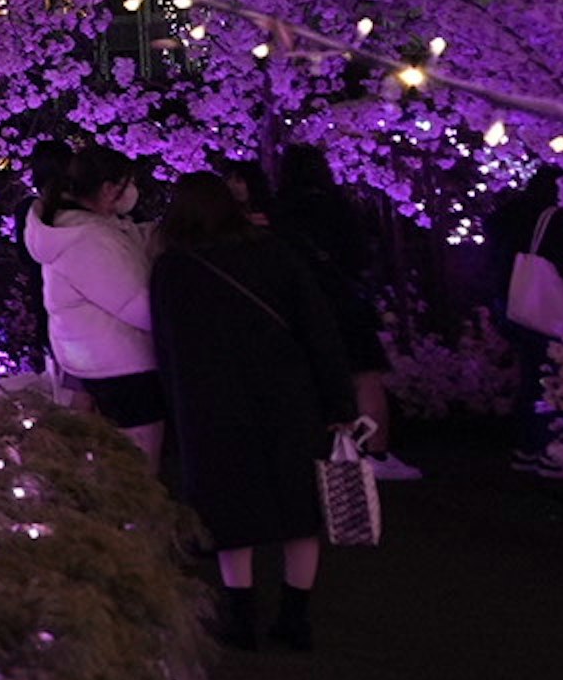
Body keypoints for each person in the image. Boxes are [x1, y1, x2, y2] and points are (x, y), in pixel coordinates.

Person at [150, 171, 360, 649]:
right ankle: (294, 617)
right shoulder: (275, 254)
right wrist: (338, 399)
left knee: (229, 510)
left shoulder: (173, 271)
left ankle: (240, 616)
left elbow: (168, 350)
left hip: (213, 406)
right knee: (299, 509)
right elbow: (318, 329)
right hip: (289, 396)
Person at [268, 143, 420, 481]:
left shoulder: (280, 212)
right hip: (344, 303)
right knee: (365, 377)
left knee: (310, 379)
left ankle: (319, 452)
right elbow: (362, 256)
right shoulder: (338, 208)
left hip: (299, 306)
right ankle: (375, 451)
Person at [25, 143, 168, 464]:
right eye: (126, 184)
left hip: (97, 359)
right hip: (123, 366)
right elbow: (137, 305)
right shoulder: (90, 239)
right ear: (107, 189)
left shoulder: (81, 226)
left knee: (107, 456)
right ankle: (137, 514)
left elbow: (130, 239)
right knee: (137, 462)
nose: (133, 192)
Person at [483, 164, 563, 473]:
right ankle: (553, 451)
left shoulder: (508, 215)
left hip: (514, 305)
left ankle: (528, 446)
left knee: (531, 377)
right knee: (555, 378)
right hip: (546, 310)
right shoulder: (555, 219)